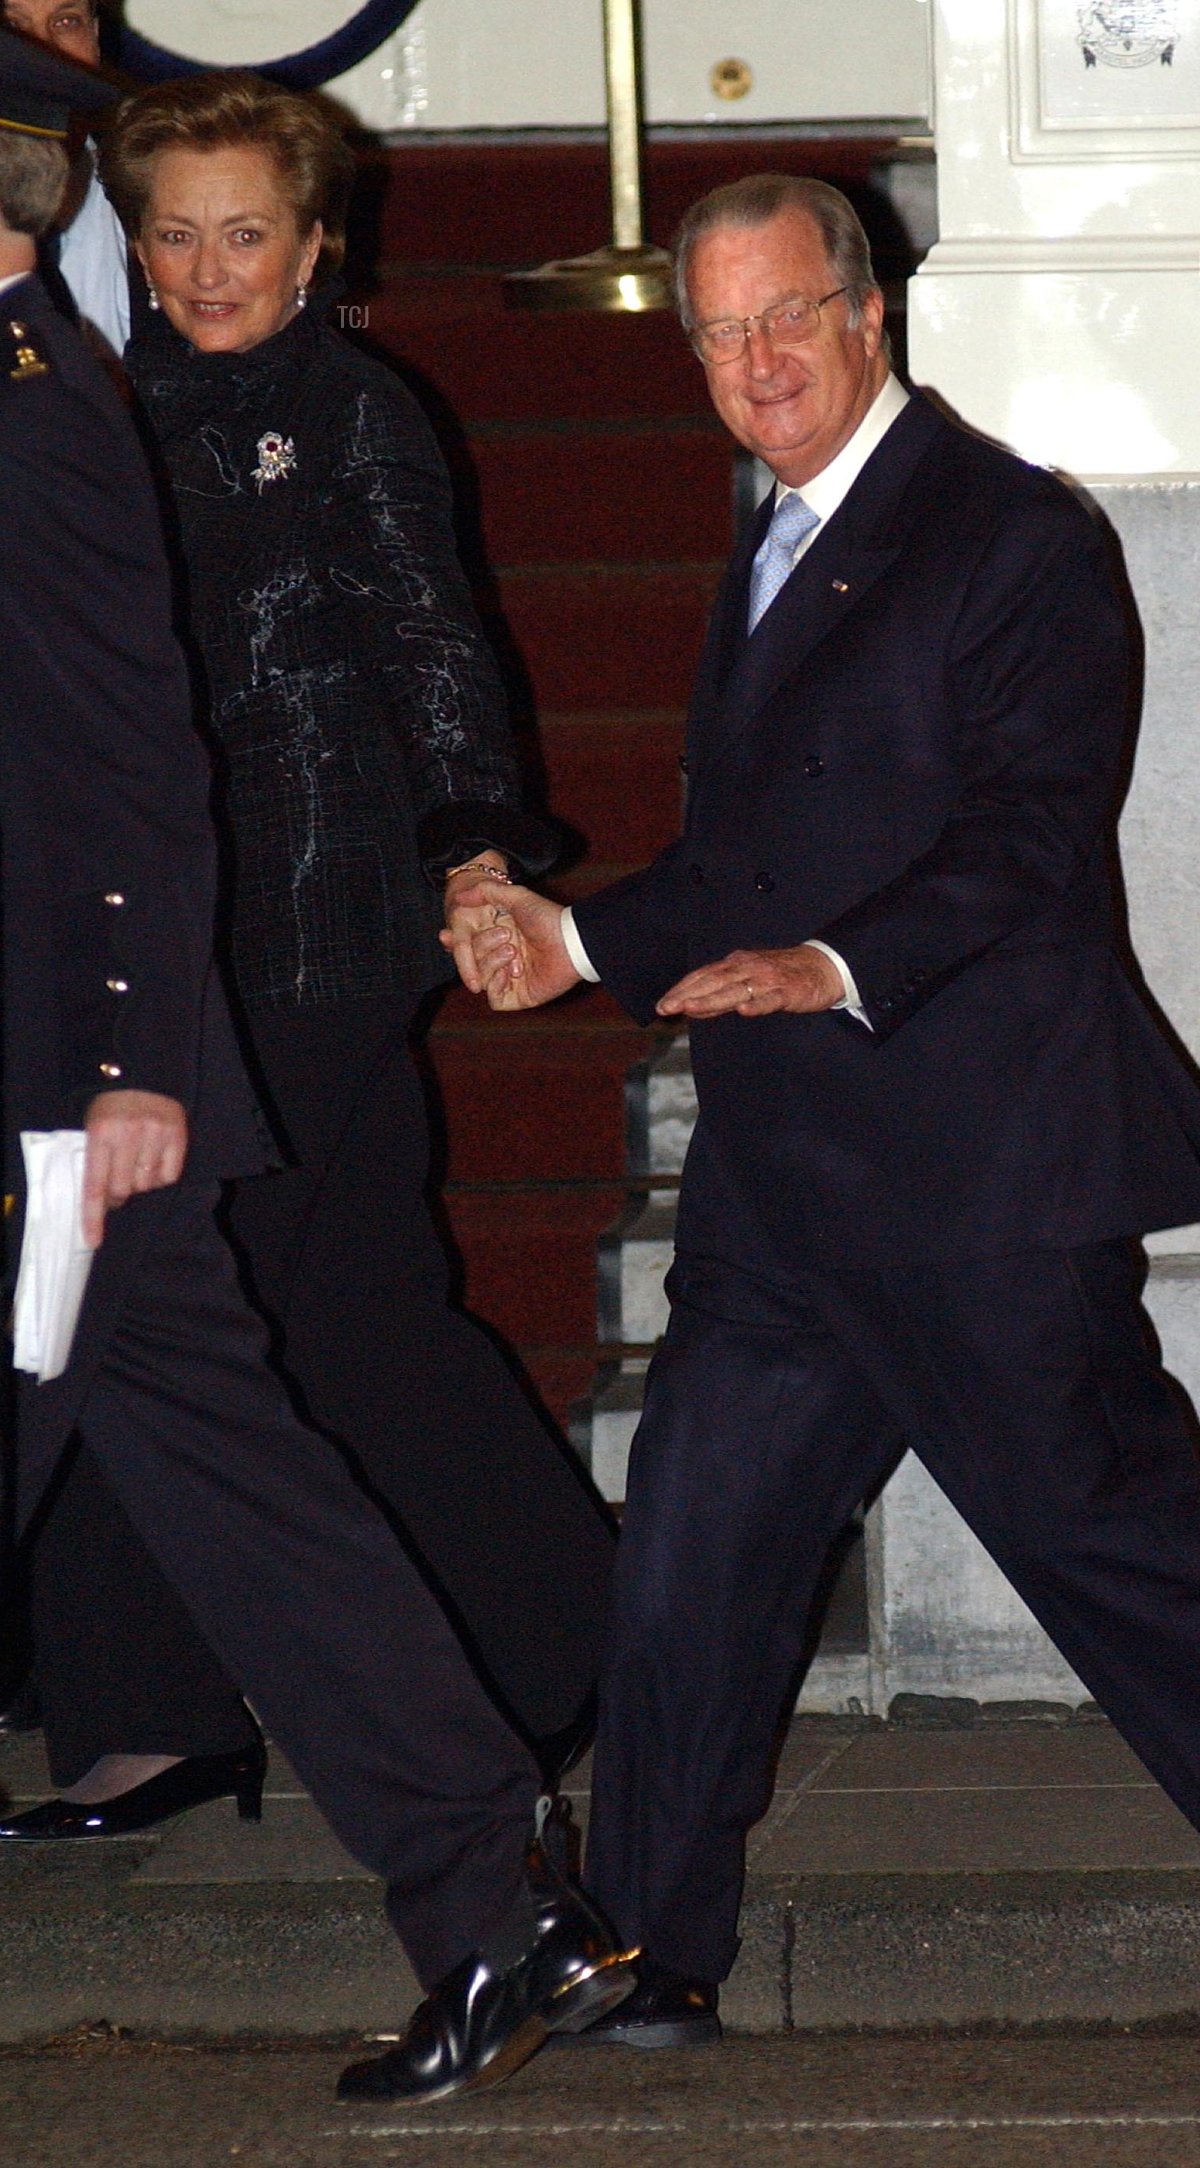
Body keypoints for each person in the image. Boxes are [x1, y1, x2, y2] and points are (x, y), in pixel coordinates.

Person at [448, 172, 1200, 2047]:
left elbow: (1030, 844)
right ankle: (646, 1943)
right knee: (692, 1560)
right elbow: (745, 853)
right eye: (717, 330)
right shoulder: (771, 534)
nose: (756, 360)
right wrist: (578, 940)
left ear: (872, 314)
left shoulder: (1014, 535)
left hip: (978, 1180)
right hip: (791, 1191)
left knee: (1129, 1560)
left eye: (788, 315)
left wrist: (832, 965)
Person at [0, 27, 633, 2103]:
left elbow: (388, 651)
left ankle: (524, 1728)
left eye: (236, 234)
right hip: (157, 991)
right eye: (170, 234)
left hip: (251, 964)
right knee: (262, 1399)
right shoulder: (102, 394)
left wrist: (468, 850)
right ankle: (467, 1859)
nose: (200, 267)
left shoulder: (258, 415)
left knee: (286, 1349)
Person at [1, 0, 129, 355]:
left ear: (96, 35)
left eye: (66, 21)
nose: (44, 50)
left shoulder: (148, 194)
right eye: (12, 26)